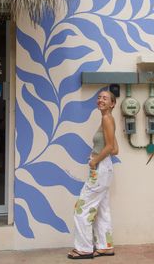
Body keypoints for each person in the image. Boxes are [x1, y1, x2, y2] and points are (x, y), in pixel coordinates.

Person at [68, 90, 118, 260]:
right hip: (105, 168)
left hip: (100, 168)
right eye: (99, 97)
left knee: (81, 208)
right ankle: (105, 246)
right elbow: (115, 148)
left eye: (105, 98)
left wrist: (94, 161)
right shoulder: (108, 120)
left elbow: (111, 148)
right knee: (102, 210)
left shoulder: (106, 119)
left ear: (112, 103)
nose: (100, 100)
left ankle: (84, 248)